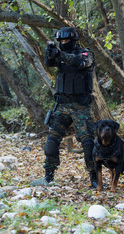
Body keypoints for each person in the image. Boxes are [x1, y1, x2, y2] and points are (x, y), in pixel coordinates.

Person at [43, 26, 97, 188]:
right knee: (51, 141)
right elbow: (49, 63)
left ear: (73, 40)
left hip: (81, 106)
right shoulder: (60, 56)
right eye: (61, 41)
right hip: (62, 105)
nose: (63, 43)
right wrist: (50, 52)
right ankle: (48, 176)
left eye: (66, 40)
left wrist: (60, 54)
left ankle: (94, 177)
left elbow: (79, 62)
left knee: (88, 143)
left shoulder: (87, 54)